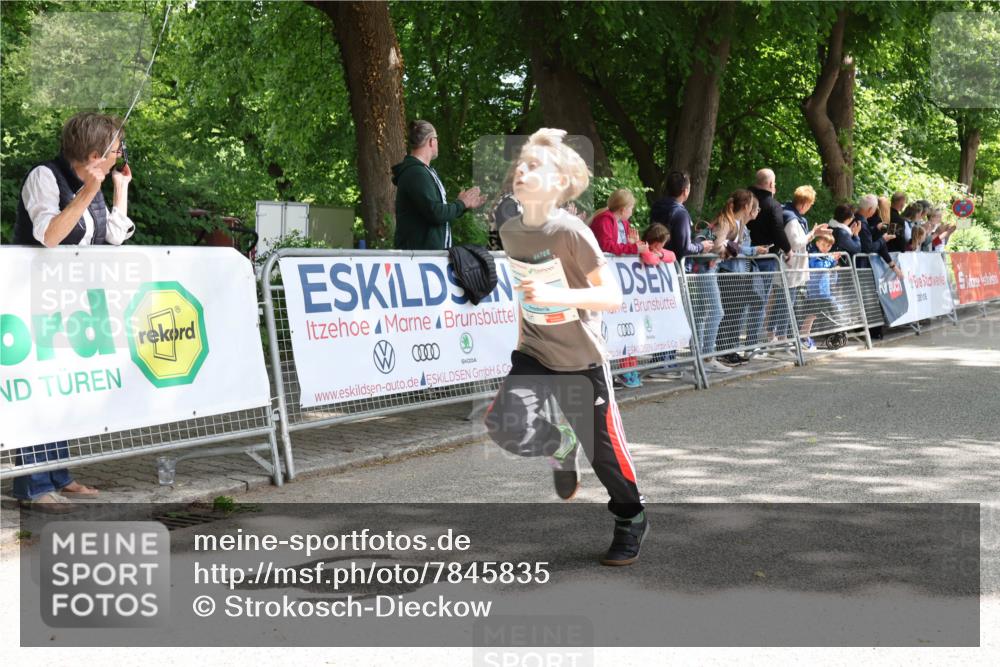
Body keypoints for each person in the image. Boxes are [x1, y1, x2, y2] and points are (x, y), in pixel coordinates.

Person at [484, 128, 647, 566]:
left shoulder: (572, 231)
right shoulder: (511, 229)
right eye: (519, 165)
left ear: (559, 184)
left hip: (581, 358)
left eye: (534, 167)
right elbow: (525, 292)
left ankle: (631, 518)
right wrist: (537, 141)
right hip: (535, 349)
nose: (521, 170)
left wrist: (556, 297)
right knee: (504, 425)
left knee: (606, 457)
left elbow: (610, 297)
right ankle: (558, 443)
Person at [11, 112, 137, 511]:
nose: (121, 154)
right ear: (96, 152)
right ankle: (32, 485)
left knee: (64, 387)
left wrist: (119, 189)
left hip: (73, 304)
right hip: (33, 302)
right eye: (117, 149)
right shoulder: (45, 178)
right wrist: (87, 191)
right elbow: (49, 236)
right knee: (37, 391)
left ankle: (59, 474)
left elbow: (112, 236)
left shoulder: (94, 182)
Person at [392, 120, 486, 250]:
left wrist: (463, 205)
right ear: (431, 141)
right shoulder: (416, 173)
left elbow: (436, 212)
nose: (437, 143)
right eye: (437, 139)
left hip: (424, 258)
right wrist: (461, 204)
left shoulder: (422, 171)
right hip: (418, 259)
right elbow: (435, 213)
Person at [590, 189, 646, 388]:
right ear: (623, 209)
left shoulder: (622, 222)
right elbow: (607, 246)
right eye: (631, 208)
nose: (632, 211)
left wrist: (632, 245)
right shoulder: (604, 220)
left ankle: (623, 370)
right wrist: (632, 248)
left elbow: (621, 244)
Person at [715, 192, 770, 364]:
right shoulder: (729, 222)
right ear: (747, 207)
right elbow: (730, 247)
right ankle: (724, 350)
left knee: (737, 314)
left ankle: (730, 349)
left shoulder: (740, 225)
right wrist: (754, 250)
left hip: (740, 274)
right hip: (730, 273)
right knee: (730, 314)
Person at [781, 186, 829, 350]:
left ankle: (784, 338)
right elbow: (796, 243)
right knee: (785, 306)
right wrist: (813, 234)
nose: (809, 208)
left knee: (789, 306)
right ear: (804, 204)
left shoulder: (794, 216)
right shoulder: (791, 218)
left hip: (794, 270)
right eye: (810, 204)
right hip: (790, 271)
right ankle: (782, 339)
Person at [650, 171, 713, 261]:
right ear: (685, 191)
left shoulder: (656, 206)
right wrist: (701, 246)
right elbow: (684, 248)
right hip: (674, 266)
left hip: (656, 261)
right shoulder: (681, 214)